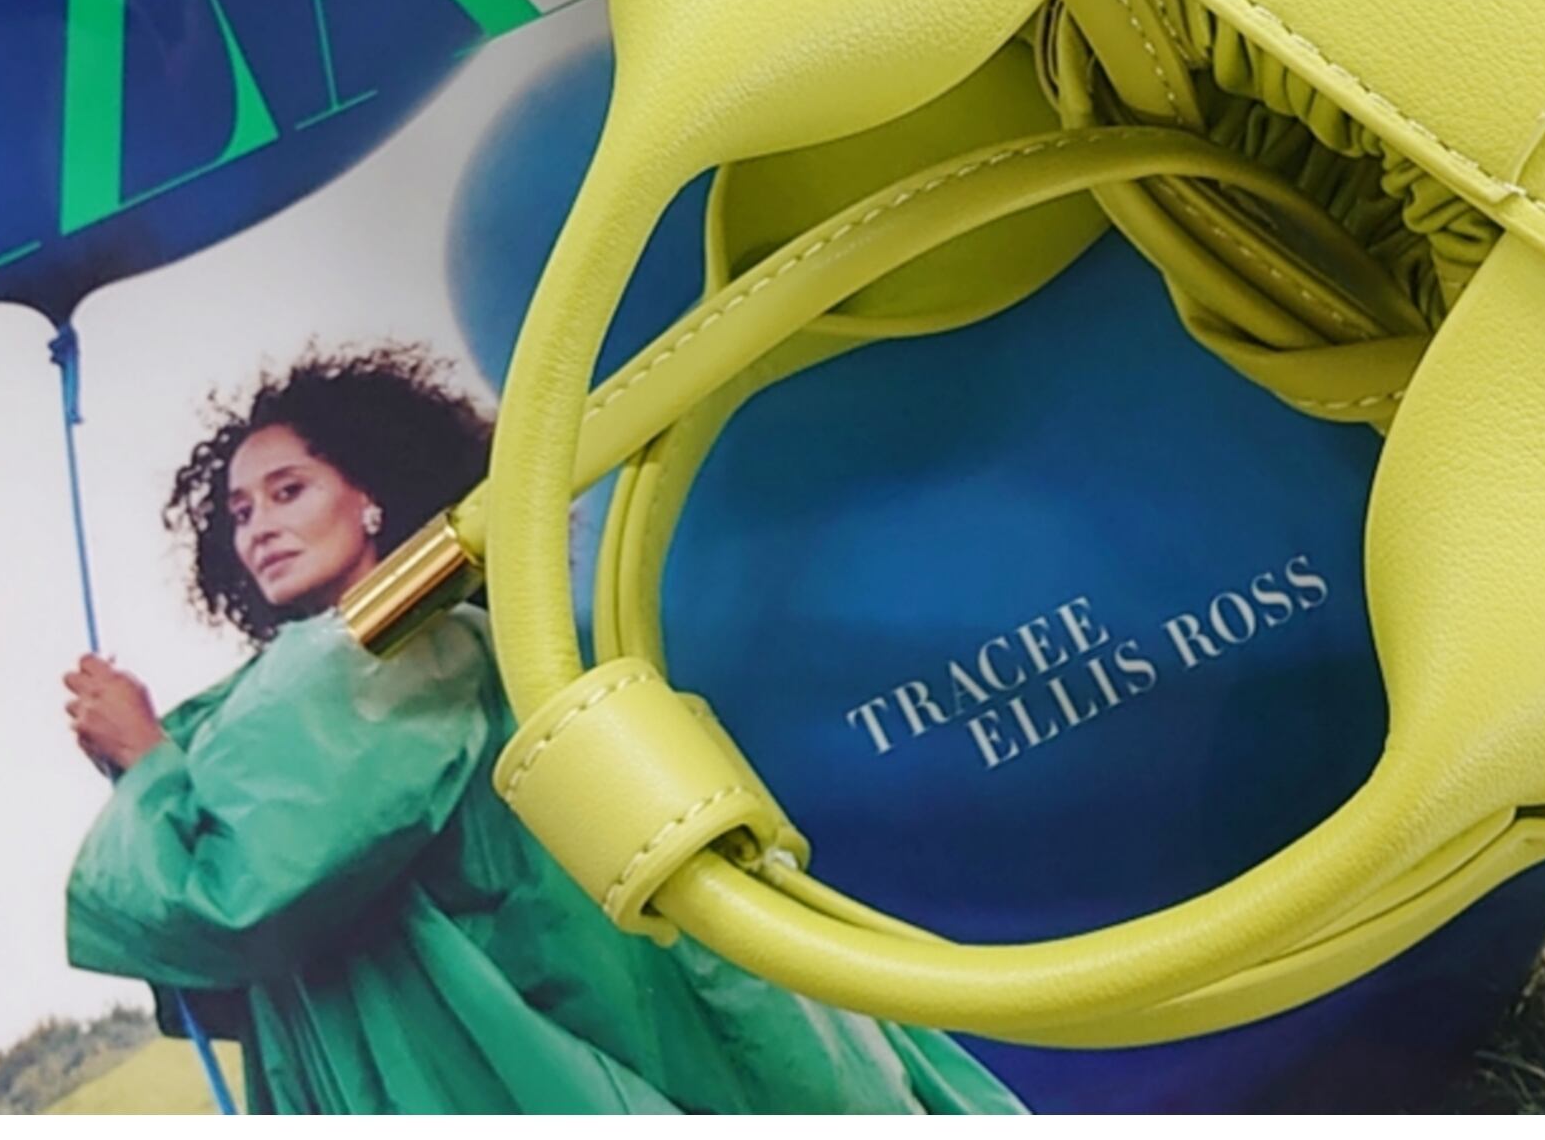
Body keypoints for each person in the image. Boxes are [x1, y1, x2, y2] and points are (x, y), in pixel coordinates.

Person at [61, 346, 1023, 1114]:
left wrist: (148, 761)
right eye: (238, 512)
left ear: (370, 496)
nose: (258, 528)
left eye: (289, 490)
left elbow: (240, 904)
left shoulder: (389, 658)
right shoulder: (466, 642)